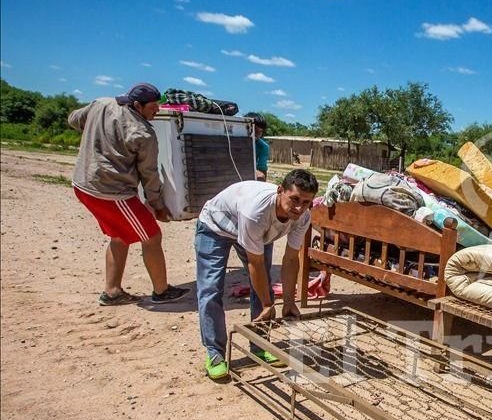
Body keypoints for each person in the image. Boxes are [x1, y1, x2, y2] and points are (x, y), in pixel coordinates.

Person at [68, 82, 190, 305]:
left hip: (83, 184)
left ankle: (112, 291)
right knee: (152, 236)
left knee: (120, 234)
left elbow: (74, 119)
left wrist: (97, 135)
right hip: (111, 192)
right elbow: (149, 174)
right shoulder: (143, 132)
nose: (157, 110)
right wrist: (157, 205)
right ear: (137, 105)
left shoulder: (101, 104)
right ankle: (162, 291)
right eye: (153, 107)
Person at [195, 169, 319, 379]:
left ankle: (259, 345)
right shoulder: (257, 211)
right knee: (210, 288)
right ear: (280, 191)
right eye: (295, 199)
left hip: (259, 233)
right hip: (216, 227)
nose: (299, 207)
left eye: (306, 202)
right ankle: (215, 353)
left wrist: (288, 301)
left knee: (263, 285)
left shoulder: (303, 217)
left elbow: (290, 260)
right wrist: (268, 305)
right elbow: (256, 262)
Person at [245, 112, 270, 181]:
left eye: (260, 132)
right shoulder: (232, 142)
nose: (257, 134)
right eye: (254, 130)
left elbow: (262, 171)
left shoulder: (263, 147)